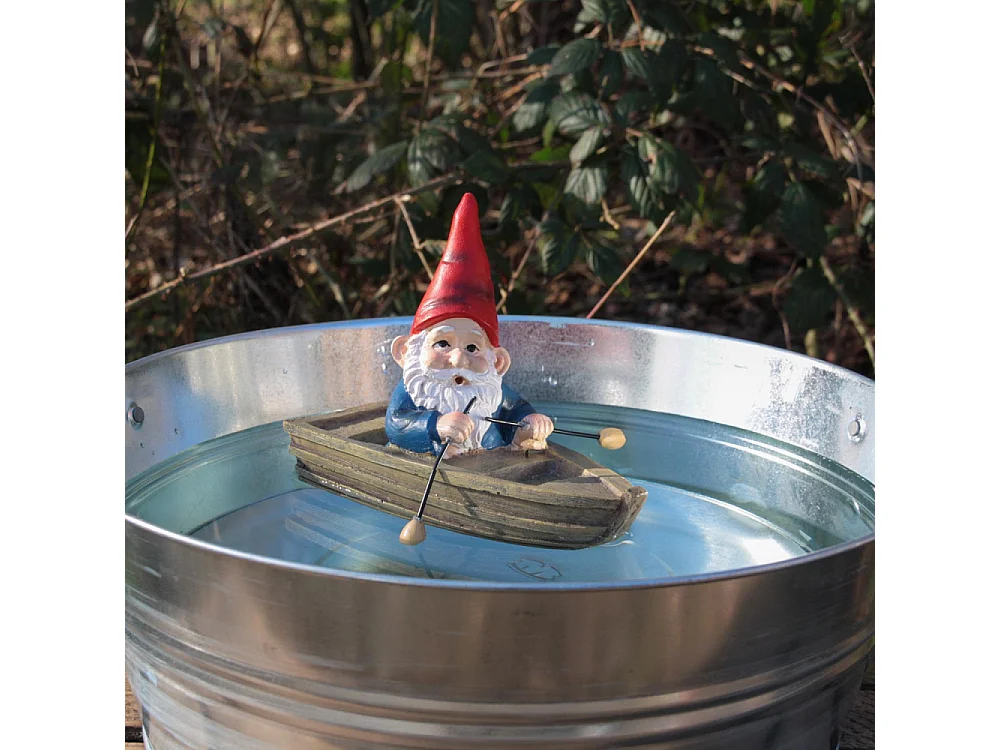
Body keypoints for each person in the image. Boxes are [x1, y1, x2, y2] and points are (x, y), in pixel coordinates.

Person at [386, 193, 554, 459]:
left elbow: (513, 408)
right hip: (431, 462)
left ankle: (518, 444)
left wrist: (529, 421)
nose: (458, 358)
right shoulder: (412, 391)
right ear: (406, 353)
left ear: (498, 362)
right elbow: (397, 425)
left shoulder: (490, 389)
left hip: (492, 461)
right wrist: (435, 427)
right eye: (442, 343)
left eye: (473, 347)